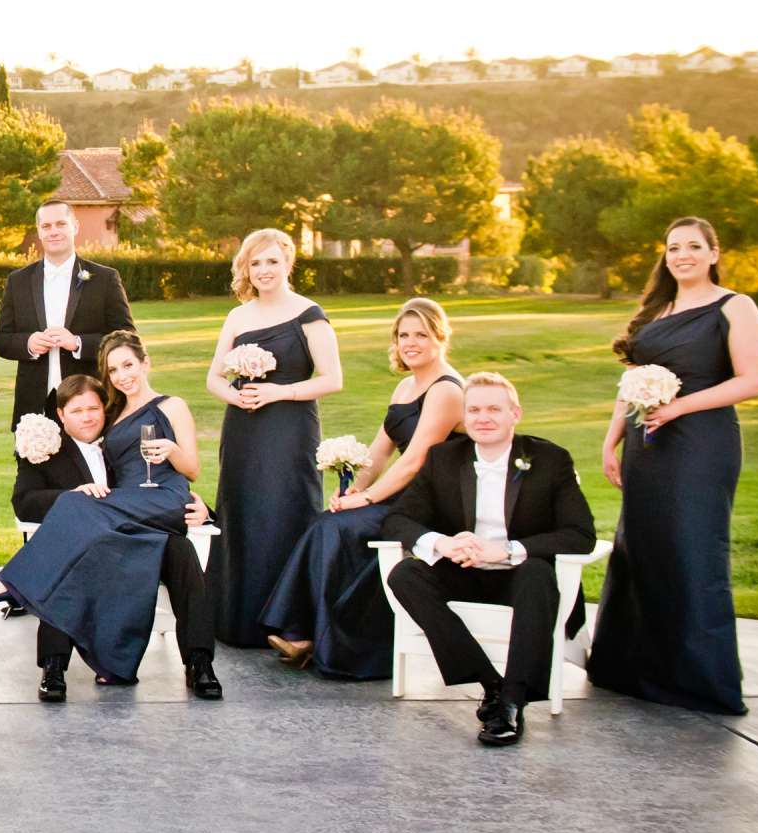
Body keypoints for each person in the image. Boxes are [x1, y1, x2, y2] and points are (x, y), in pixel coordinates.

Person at [588, 217, 758, 717]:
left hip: (701, 445)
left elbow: (755, 380)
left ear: (714, 252)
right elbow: (632, 382)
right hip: (647, 445)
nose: (682, 255)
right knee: (643, 548)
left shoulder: (734, 307)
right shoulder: (657, 309)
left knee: (692, 547)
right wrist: (612, 439)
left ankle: (698, 681)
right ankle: (633, 670)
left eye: (694, 246)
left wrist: (681, 408)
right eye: (673, 248)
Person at [0, 344, 223, 701]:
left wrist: (206, 510)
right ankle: (54, 668)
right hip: (99, 546)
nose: (88, 417)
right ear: (61, 415)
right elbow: (25, 502)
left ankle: (200, 664)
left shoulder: (119, 439)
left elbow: (165, 481)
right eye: (77, 410)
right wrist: (75, 494)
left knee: (182, 553)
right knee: (69, 556)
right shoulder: (45, 451)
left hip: (147, 533)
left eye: (94, 408)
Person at [384, 373, 597, 746]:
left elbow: (580, 535)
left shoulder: (549, 459)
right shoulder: (444, 458)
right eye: (475, 410)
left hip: (519, 576)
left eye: (494, 409)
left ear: (515, 413)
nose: (483, 418)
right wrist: (442, 543)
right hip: (463, 571)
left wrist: (510, 549)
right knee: (405, 574)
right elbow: (399, 519)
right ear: (464, 417)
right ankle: (490, 684)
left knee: (535, 574)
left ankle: (513, 701)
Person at [260, 298, 464, 678]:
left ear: (440, 337)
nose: (410, 342)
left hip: (434, 504)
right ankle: (305, 632)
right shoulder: (406, 386)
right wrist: (353, 491)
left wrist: (368, 499)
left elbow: (415, 459)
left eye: (421, 334)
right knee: (328, 521)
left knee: (340, 529)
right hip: (401, 493)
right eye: (404, 335)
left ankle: (323, 641)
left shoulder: (446, 390)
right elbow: (380, 452)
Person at [203, 228, 342, 648]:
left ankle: (292, 625)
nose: (263, 270)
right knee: (243, 511)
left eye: (272, 261)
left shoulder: (309, 314)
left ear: (288, 264)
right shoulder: (238, 316)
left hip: (290, 428)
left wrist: (279, 391)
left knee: (285, 511)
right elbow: (213, 377)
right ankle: (239, 621)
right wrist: (235, 396)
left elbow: (333, 379)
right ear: (246, 267)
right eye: (255, 262)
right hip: (244, 429)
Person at [0, 199, 134, 427]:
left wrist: (77, 343)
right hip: (34, 406)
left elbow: (126, 335)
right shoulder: (18, 281)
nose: (54, 231)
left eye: (61, 224)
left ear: (74, 226)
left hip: (89, 401)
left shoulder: (105, 278)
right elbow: (1, 340)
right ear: (38, 231)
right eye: (46, 226)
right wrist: (28, 343)